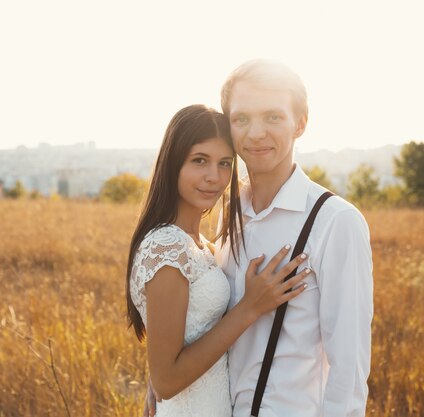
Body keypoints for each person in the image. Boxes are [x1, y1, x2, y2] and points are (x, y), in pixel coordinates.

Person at [145, 60, 373, 417]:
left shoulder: (336, 221)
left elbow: (349, 370)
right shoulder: (228, 209)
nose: (255, 134)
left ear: (301, 123)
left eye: (273, 117)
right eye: (241, 119)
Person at [126, 104, 311, 417]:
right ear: (173, 164)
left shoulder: (203, 247)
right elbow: (167, 380)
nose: (214, 177)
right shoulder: (165, 246)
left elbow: (173, 342)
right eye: (200, 161)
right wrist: (249, 308)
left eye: (225, 163)